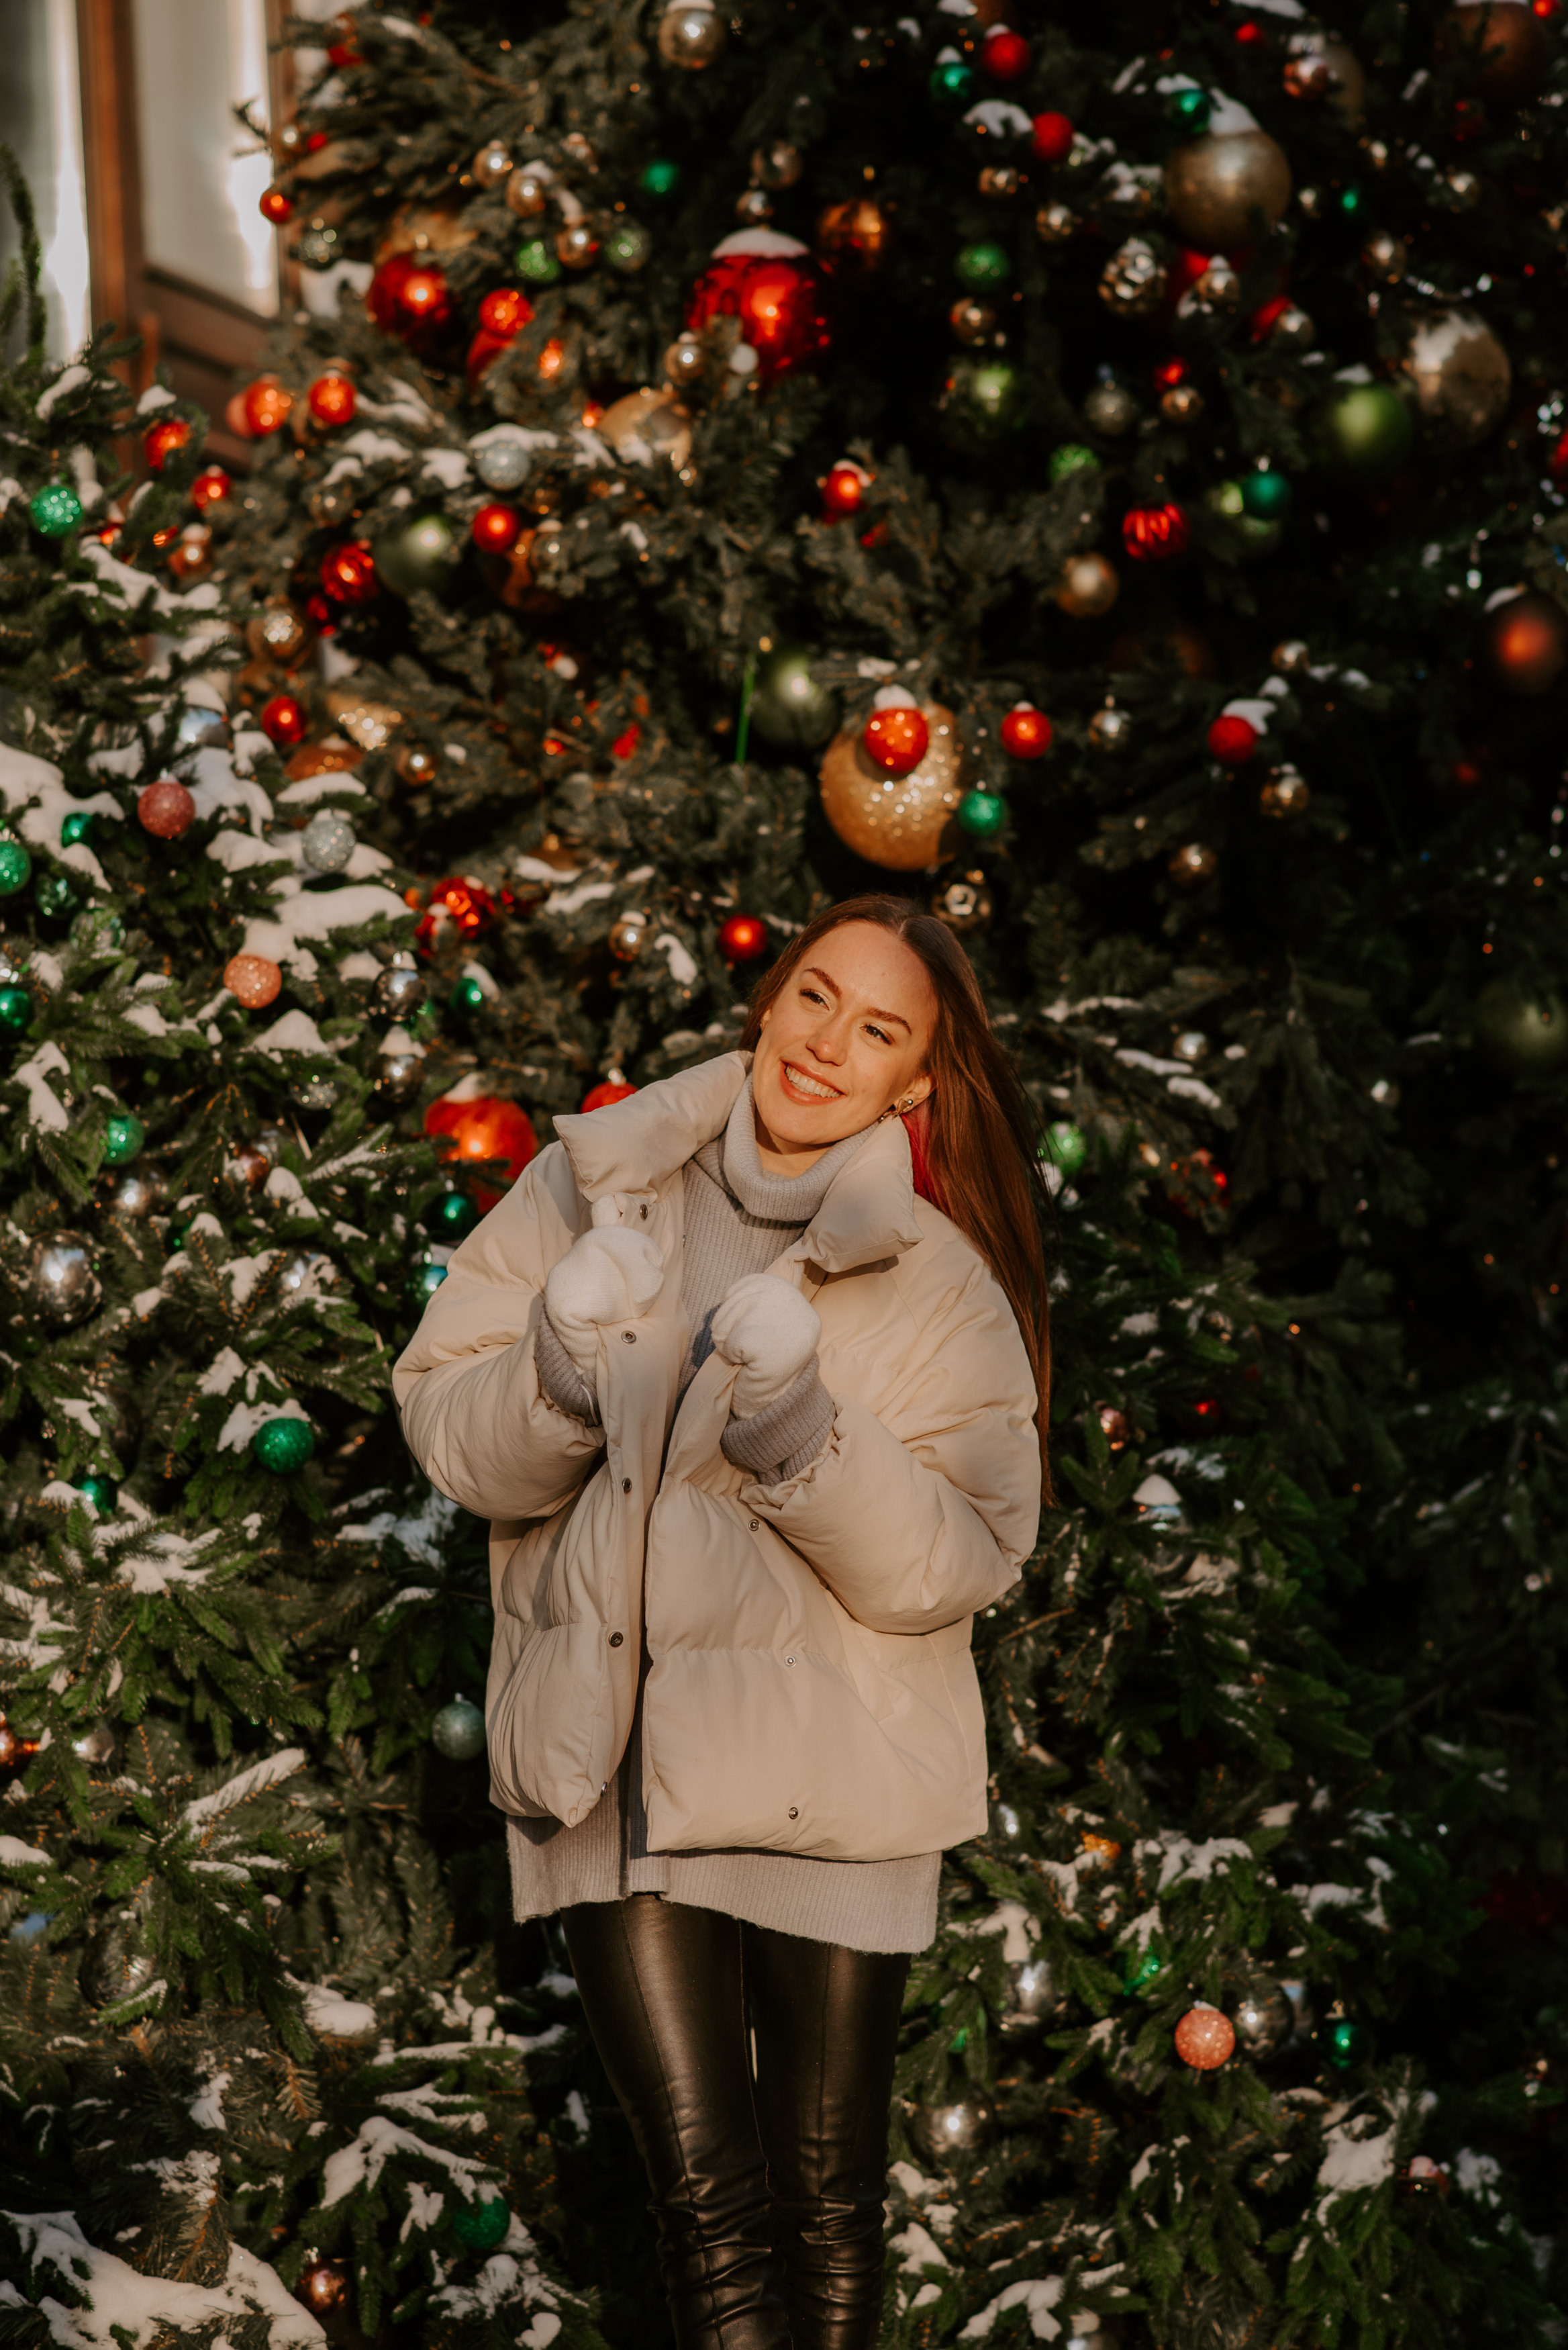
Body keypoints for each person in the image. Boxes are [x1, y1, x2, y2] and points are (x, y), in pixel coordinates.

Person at [394, 894, 1050, 2350]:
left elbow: (959, 1557)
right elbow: (453, 1438)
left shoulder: (940, 1281)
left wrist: (801, 1422)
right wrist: (558, 1359)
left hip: (839, 1770)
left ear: (914, 1085)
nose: (827, 1043)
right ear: (771, 1001)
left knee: (824, 2198)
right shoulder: (586, 1188)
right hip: (613, 1750)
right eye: (816, 996)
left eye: (877, 1029)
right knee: (704, 2200)